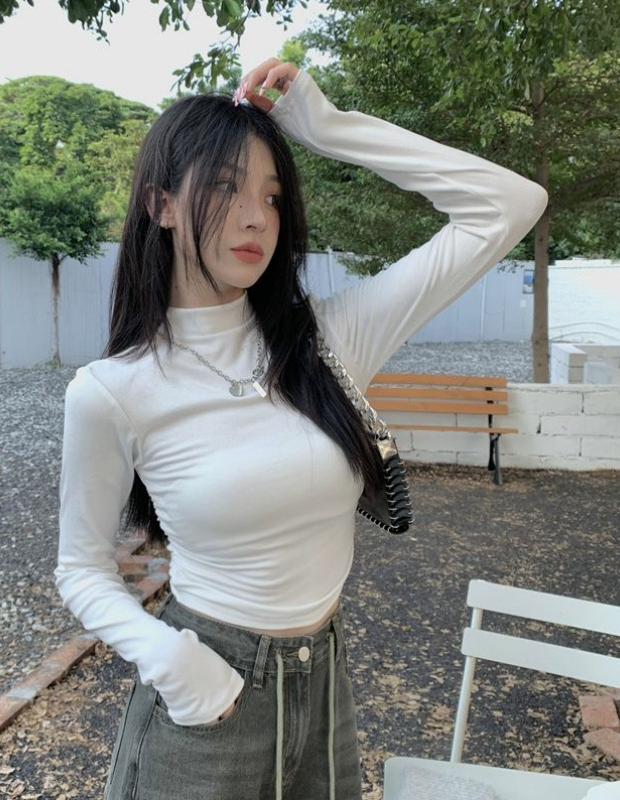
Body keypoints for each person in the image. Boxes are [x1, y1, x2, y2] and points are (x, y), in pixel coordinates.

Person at [55, 57, 547, 800]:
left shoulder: (327, 340)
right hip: (205, 694)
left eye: (273, 195)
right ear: (161, 204)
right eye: (226, 187)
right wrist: (173, 663)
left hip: (325, 682)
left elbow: (509, 205)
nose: (257, 216)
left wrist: (324, 125)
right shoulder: (113, 391)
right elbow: (81, 568)